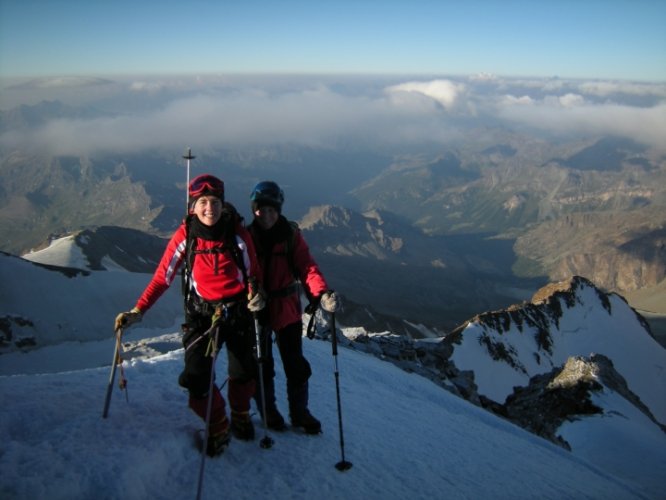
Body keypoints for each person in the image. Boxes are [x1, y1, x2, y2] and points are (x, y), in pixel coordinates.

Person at [114, 173, 266, 456]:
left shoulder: (237, 234)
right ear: (193, 206)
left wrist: (255, 294)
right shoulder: (187, 235)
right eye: (204, 202)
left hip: (237, 312)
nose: (210, 208)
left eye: (216, 202)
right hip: (202, 316)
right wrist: (139, 310)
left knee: (244, 372)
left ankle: (241, 414)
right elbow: (163, 277)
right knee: (196, 377)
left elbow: (252, 273)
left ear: (223, 204)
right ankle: (219, 422)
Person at [247, 180, 339, 434]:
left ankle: (299, 413)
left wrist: (320, 293)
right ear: (254, 209)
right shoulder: (245, 238)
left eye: (271, 209)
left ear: (279, 209)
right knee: (262, 363)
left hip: (286, 310)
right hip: (257, 311)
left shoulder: (290, 236)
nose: (266, 215)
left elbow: (307, 267)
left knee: (295, 364)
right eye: (261, 209)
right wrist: (249, 294)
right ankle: (269, 412)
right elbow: (239, 273)